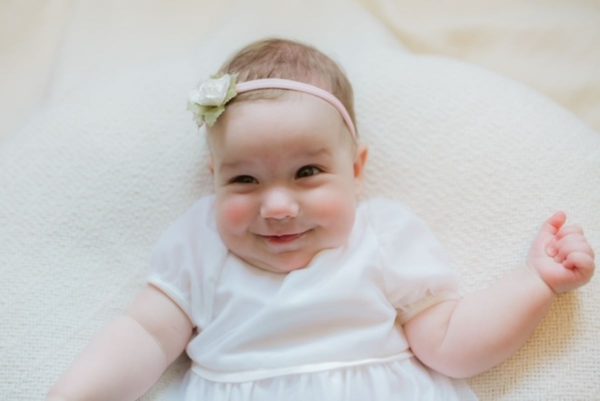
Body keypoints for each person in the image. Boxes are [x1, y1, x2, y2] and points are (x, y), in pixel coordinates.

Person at [47, 38, 596, 401]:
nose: (278, 206)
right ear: (213, 176)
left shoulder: (380, 235)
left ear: (356, 170)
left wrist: (535, 283)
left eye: (307, 171)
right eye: (244, 180)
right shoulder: (202, 241)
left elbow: (453, 343)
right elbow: (144, 335)